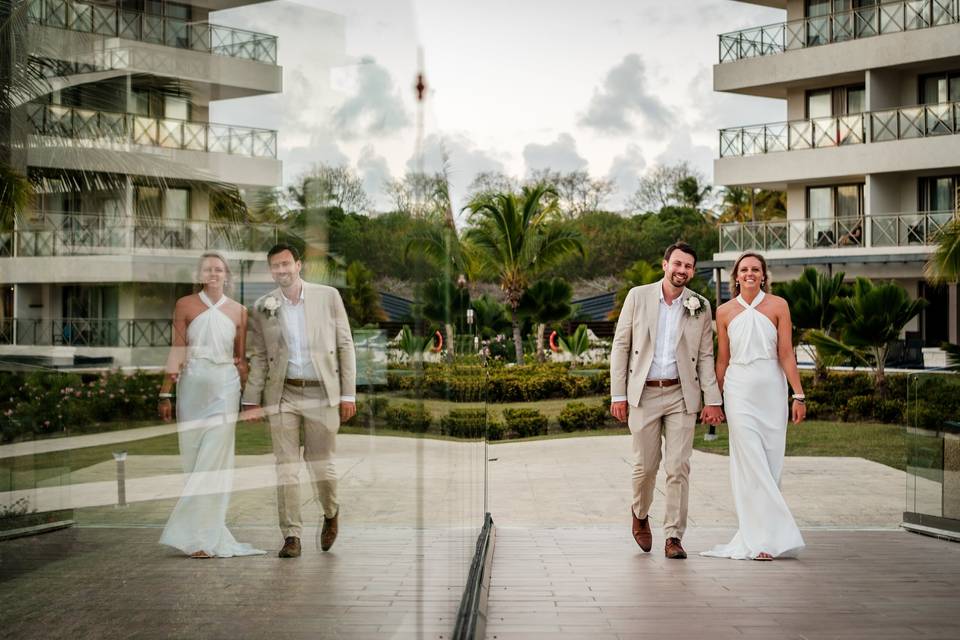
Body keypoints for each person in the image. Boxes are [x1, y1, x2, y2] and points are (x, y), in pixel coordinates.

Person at [610, 242, 724, 560]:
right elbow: (621, 345)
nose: (682, 270)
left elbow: (704, 356)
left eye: (688, 266)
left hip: (681, 395)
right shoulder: (638, 296)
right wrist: (618, 394)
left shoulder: (699, 305)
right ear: (665, 264)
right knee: (645, 467)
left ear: (692, 271)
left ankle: (673, 535)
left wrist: (713, 400)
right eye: (677, 264)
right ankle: (640, 513)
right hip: (643, 393)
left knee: (678, 467)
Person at [241, 243, 356, 558]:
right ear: (271, 270)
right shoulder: (263, 306)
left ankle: (331, 512)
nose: (281, 270)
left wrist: (348, 394)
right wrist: (251, 399)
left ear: (298, 265)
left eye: (286, 264)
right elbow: (260, 357)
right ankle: (291, 534)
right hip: (283, 394)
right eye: (275, 266)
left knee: (321, 466)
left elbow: (345, 345)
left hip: (322, 392)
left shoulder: (328, 296)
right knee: (286, 467)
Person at [158, 252, 265, 559]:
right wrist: (166, 393)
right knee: (193, 462)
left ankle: (204, 539)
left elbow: (241, 360)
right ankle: (195, 533)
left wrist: (249, 402)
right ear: (200, 273)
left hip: (225, 389)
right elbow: (177, 349)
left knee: (214, 465)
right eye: (208, 269)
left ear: (226, 275)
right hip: (191, 387)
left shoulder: (239, 311)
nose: (214, 273)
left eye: (219, 269)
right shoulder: (185, 305)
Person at [701, 251, 806, 561]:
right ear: (736, 276)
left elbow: (786, 353)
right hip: (739, 392)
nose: (749, 273)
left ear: (764, 275)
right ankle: (760, 540)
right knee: (750, 465)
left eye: (755, 269)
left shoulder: (779, 306)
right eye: (744, 269)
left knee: (771, 464)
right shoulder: (723, 312)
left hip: (772, 391)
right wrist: (714, 400)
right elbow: (722, 359)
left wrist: (798, 394)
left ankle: (770, 536)